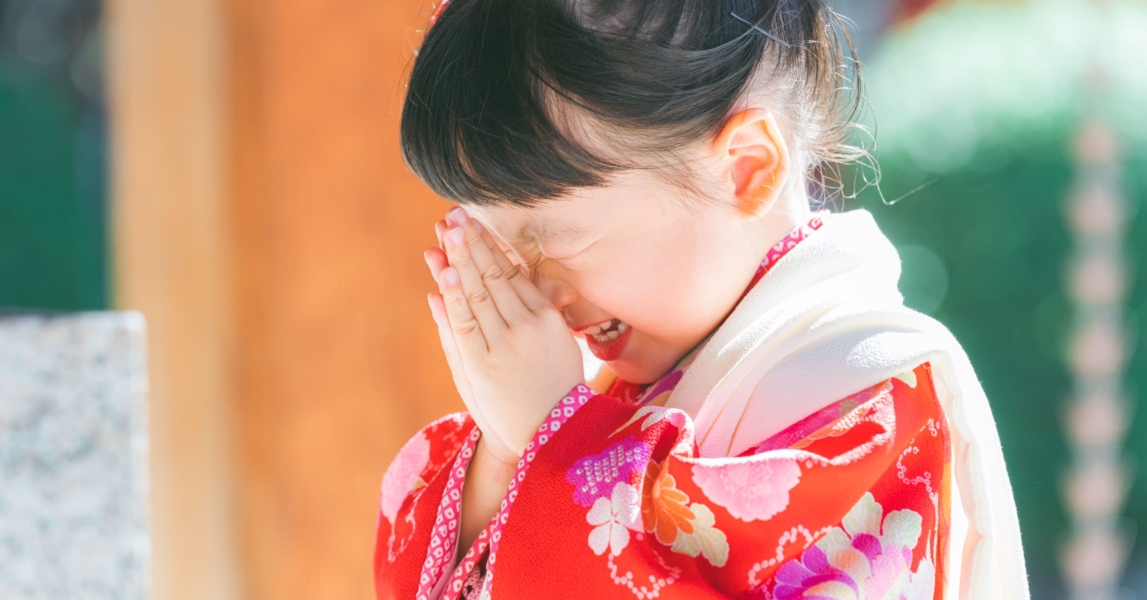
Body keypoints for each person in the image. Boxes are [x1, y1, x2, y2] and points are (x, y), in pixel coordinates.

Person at [375, 1, 1028, 598]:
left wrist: (560, 453)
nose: (534, 293)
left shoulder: (871, 398)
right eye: (499, 247)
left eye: (556, 238)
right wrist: (509, 452)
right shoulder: (615, 387)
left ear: (744, 169)